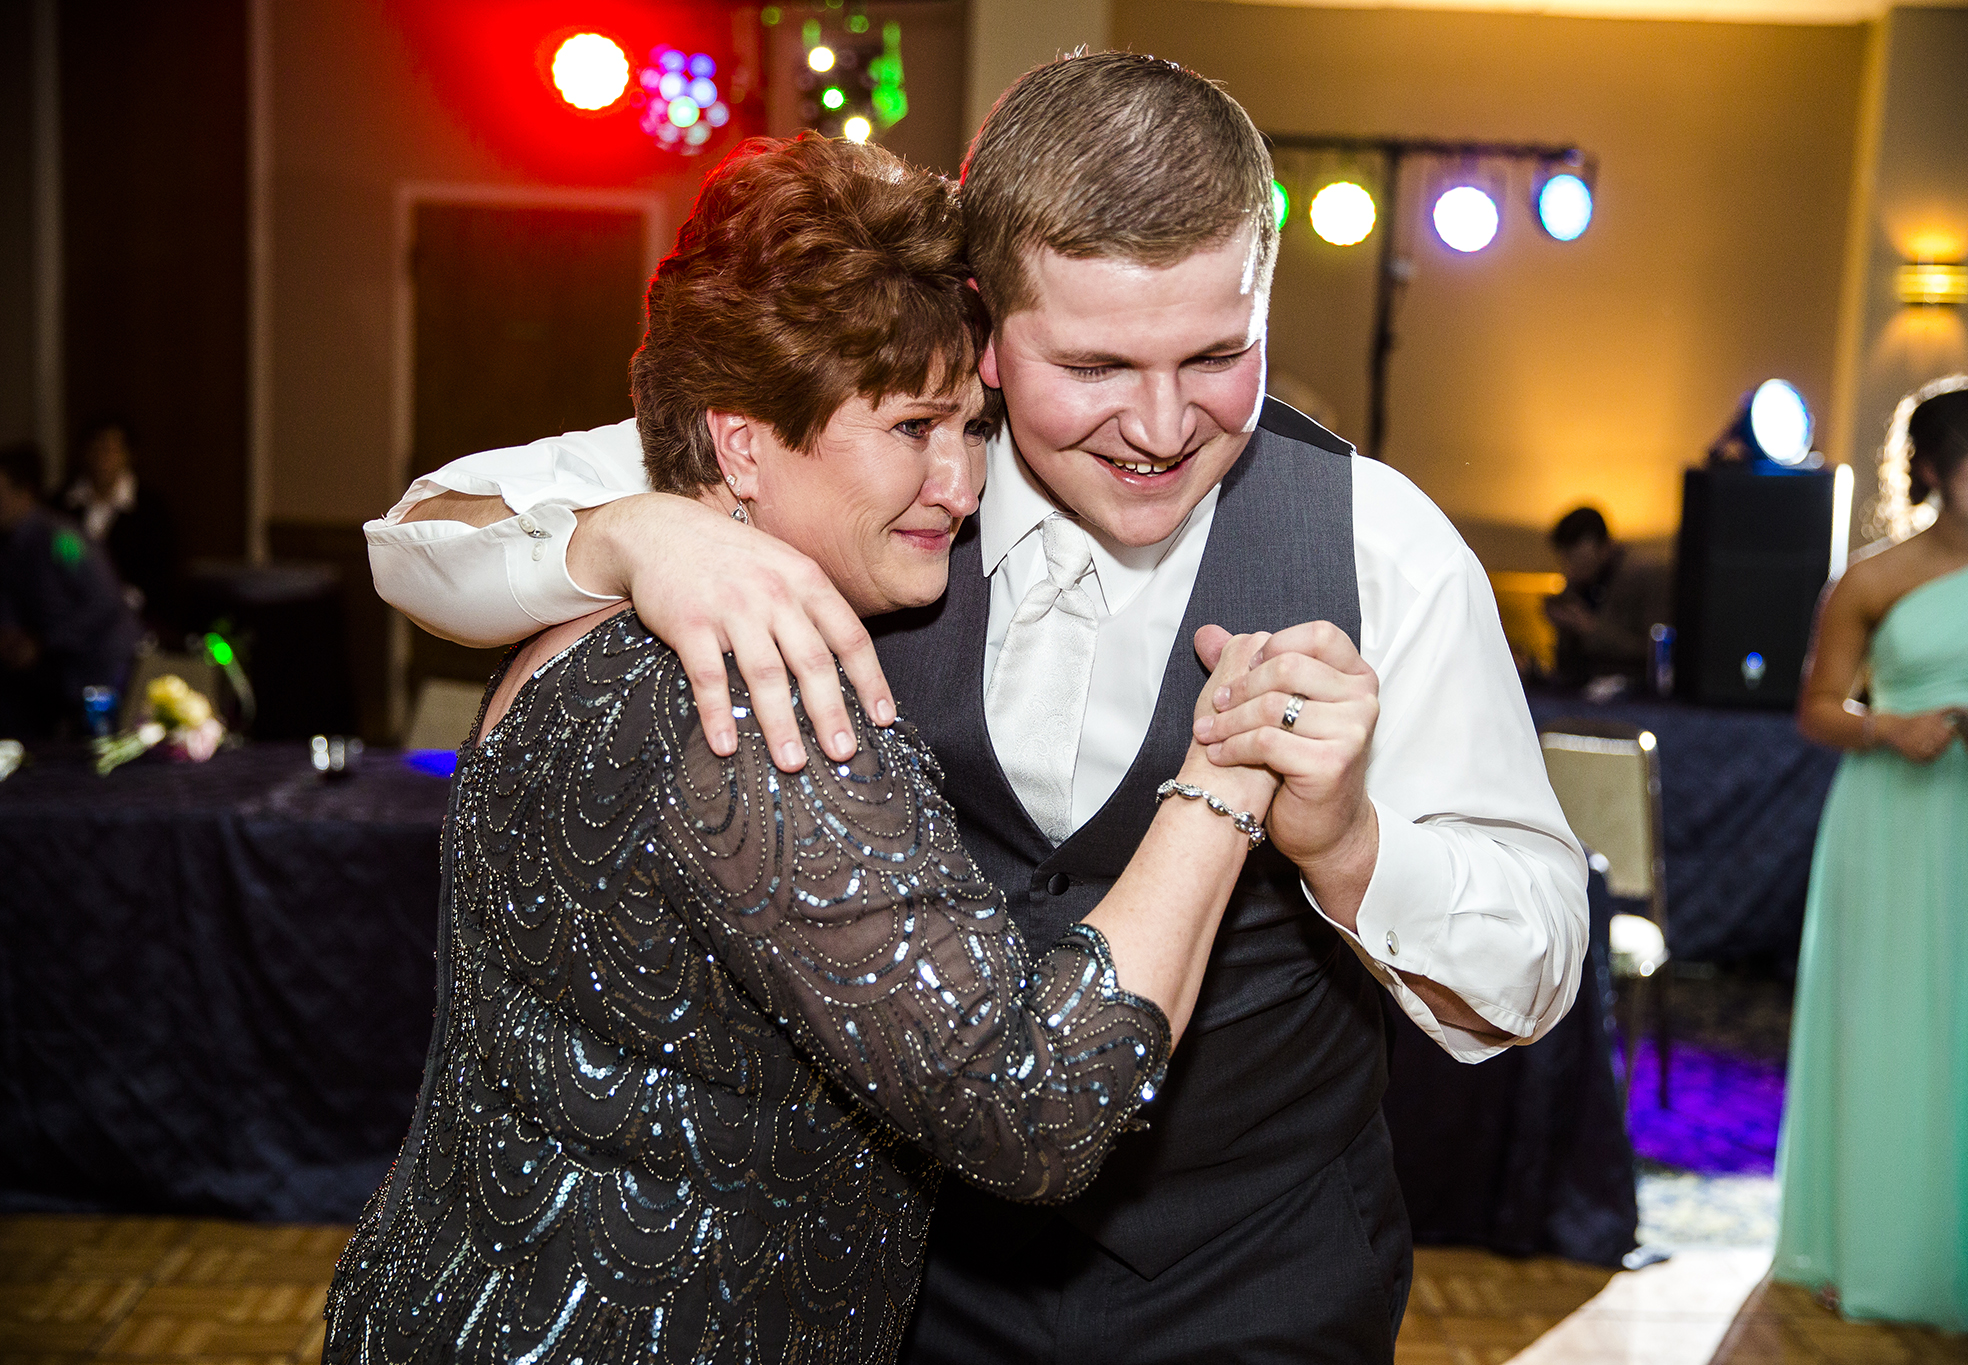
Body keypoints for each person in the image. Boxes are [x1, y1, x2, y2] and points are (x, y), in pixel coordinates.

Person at [366, 54, 1587, 1364]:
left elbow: (1537, 967)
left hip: (1258, 1296)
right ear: (988, 326)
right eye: (1098, 363)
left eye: (1220, 354)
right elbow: (420, 538)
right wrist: (641, 538)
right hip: (919, 1307)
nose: (1164, 424)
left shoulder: (1383, 551)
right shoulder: (889, 445)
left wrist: (1350, 846)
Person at [327, 136, 1288, 1364]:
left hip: (444, 1304)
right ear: (738, 444)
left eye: (974, 424)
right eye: (911, 428)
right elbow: (1036, 1107)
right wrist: (1221, 777)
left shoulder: (575, 630)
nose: (961, 480)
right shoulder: (760, 704)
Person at [1776, 379, 1968, 1356]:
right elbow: (1816, 707)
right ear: (1928, 467)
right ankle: (1885, 1252)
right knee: (1896, 1024)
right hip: (1893, 823)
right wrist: (1885, 724)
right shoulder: (1869, 580)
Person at [0, 441, 143, 739]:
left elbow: (103, 599)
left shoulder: (61, 540)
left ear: (23, 492)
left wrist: (42, 642)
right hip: (56, 662)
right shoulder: (9, 544)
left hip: (98, 663)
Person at [61, 423, 179, 627]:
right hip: (69, 616)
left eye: (111, 450)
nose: (102, 458)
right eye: (96, 449)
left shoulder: (150, 509)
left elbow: (160, 573)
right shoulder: (63, 505)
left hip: (130, 621)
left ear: (128, 455)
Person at [1543, 506, 1669, 688]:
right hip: (1586, 690)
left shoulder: (1647, 577)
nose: (1569, 571)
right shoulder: (1579, 583)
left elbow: (1654, 653)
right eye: (1566, 560)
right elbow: (1567, 664)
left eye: (1578, 561)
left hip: (1636, 694)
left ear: (1604, 547)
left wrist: (1588, 627)